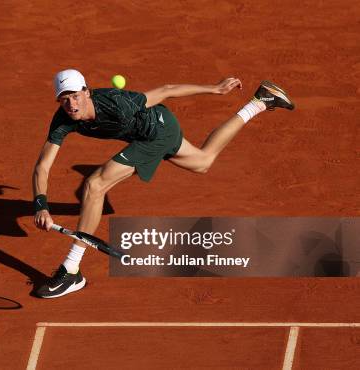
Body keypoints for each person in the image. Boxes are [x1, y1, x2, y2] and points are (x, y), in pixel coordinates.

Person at [32, 69, 294, 298]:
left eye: (75, 96)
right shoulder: (63, 118)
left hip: (155, 133)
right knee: (203, 161)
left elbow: (166, 90)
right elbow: (43, 165)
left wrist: (213, 89)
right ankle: (261, 101)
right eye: (64, 99)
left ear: (87, 92)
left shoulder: (117, 102)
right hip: (159, 129)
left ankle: (71, 269)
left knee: (95, 185)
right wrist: (40, 204)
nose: (71, 104)